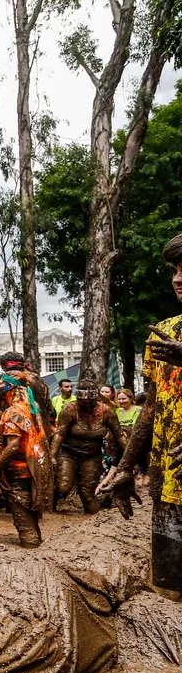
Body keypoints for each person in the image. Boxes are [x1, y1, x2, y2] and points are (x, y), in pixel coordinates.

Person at [99, 233, 182, 599]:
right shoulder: (164, 334)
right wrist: (124, 467)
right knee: (170, 585)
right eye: (175, 270)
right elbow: (151, 407)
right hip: (170, 479)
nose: (178, 279)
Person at [0, 362, 55, 548]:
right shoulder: (32, 408)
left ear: (9, 387)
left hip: (20, 473)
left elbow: (13, 446)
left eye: (0, 384)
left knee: (25, 527)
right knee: (32, 519)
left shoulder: (14, 412)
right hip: (34, 471)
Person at [49, 379, 122, 514]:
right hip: (68, 453)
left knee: (88, 494)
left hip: (92, 455)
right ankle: (49, 506)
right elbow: (59, 434)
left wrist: (129, 458)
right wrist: (52, 456)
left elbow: (119, 435)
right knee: (62, 487)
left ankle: (92, 519)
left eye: (90, 402)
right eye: (83, 402)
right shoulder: (70, 409)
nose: (86, 405)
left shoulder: (107, 412)